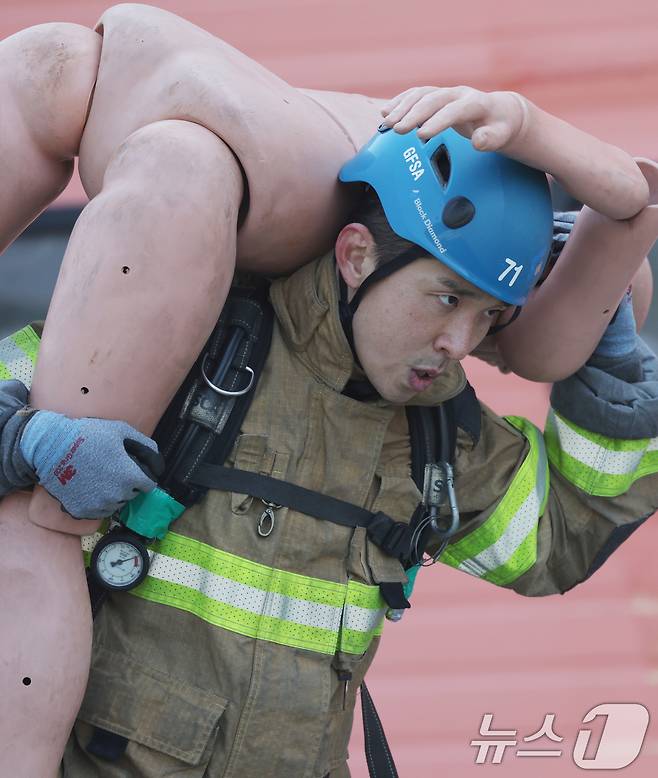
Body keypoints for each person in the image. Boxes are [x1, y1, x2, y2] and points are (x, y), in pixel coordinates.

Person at [0, 4, 657, 775]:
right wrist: (27, 441)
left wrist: (613, 366)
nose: (459, 344)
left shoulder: (435, 437)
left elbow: (555, 542)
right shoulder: (180, 340)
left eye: (488, 316)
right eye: (446, 298)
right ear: (356, 256)